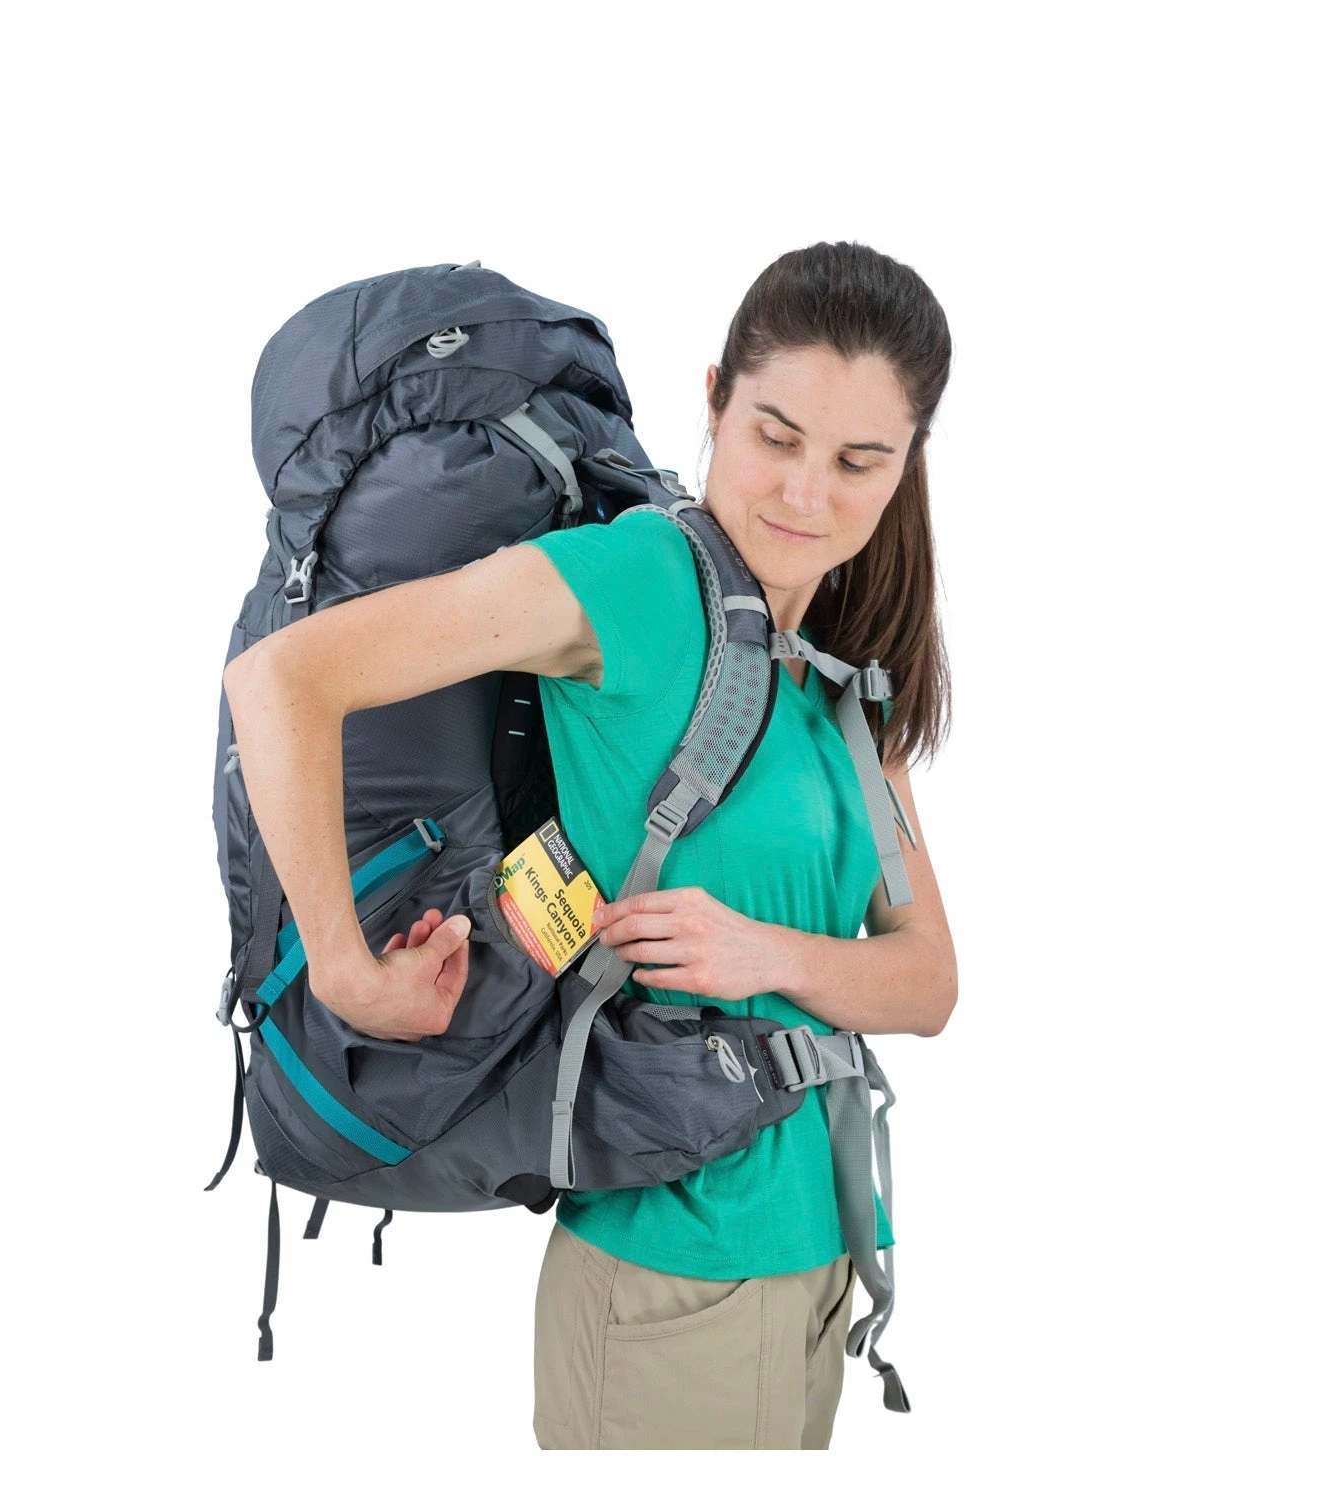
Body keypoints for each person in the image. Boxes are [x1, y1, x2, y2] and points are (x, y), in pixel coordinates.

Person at [222, 239, 958, 1449]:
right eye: (775, 436)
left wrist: (762, 953)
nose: (805, 494)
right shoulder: (638, 581)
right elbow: (282, 681)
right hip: (668, 1285)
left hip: (822, 1265)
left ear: (907, 465)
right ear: (714, 401)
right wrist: (347, 973)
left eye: (858, 461)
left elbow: (928, 982)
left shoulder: (838, 676)